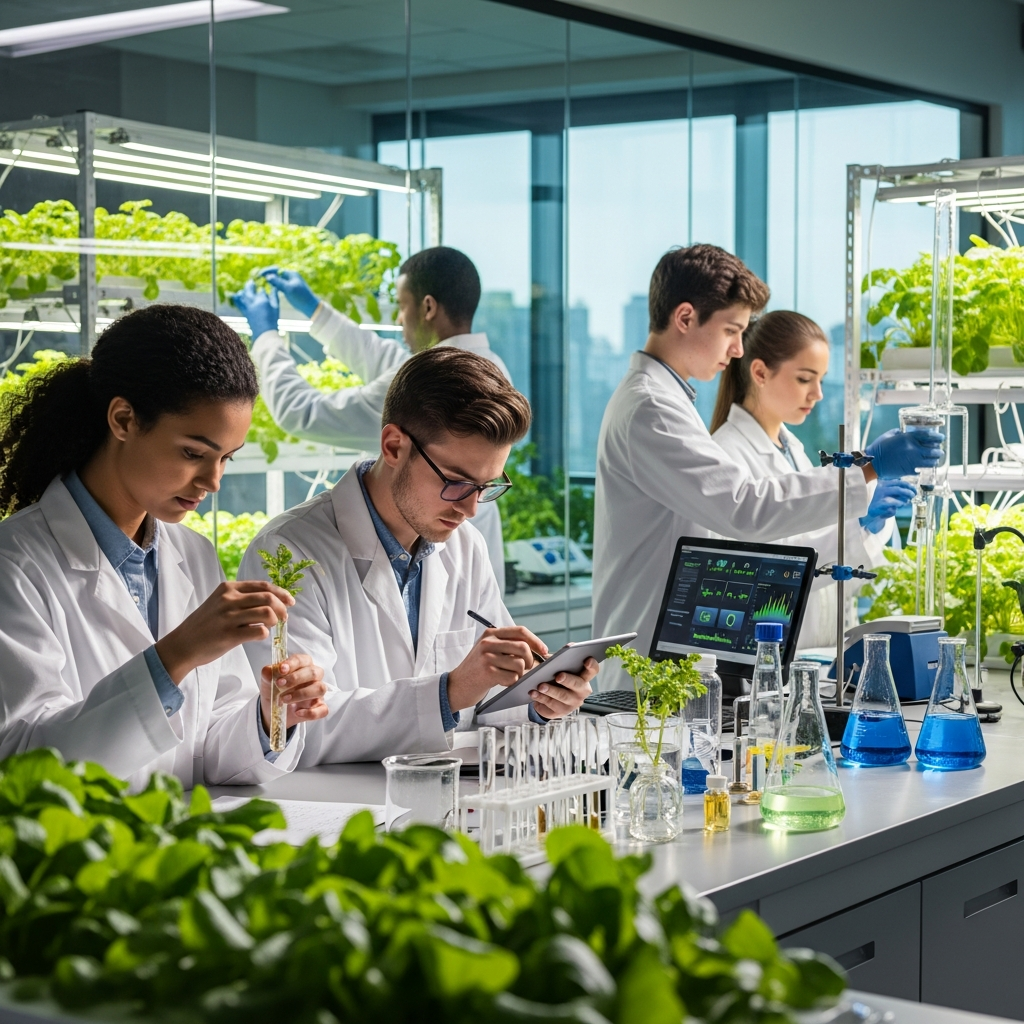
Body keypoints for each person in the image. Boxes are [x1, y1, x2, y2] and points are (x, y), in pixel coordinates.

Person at [0, 305, 329, 791]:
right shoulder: (16, 564)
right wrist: (175, 655)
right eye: (193, 453)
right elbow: (23, 767)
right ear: (124, 419)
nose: (212, 481)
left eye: (226, 459)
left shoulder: (192, 555)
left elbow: (210, 747)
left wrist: (271, 712)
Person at [592, 244, 943, 691]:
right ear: (684, 318)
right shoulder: (652, 408)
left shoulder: (667, 402)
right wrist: (867, 467)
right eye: (731, 330)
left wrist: (858, 522)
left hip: (679, 658)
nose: (738, 348)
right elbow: (744, 506)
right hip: (648, 668)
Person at [238, 347, 597, 765]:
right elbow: (300, 727)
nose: (471, 509)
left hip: (449, 804)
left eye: (486, 486)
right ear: (393, 446)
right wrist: (447, 692)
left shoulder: (464, 546)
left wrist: (538, 697)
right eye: (457, 482)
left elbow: (489, 701)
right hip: (342, 812)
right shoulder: (288, 553)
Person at [231, 246, 509, 592]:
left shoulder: (435, 391)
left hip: (437, 548)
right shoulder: (487, 365)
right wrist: (316, 311)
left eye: (402, 306)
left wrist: (266, 337)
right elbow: (387, 360)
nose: (397, 319)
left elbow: (302, 412)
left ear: (427, 307)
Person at [710, 310, 916, 648]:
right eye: (805, 379)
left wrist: (865, 528)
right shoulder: (727, 456)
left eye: (821, 379)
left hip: (813, 654)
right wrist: (856, 523)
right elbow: (760, 576)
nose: (818, 393)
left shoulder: (795, 452)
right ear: (760, 372)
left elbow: (823, 579)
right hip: (760, 658)